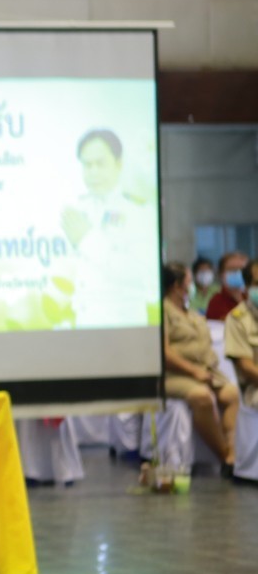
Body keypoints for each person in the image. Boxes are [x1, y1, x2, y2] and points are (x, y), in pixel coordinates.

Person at [60, 128, 158, 329]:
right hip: (84, 324)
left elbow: (143, 275)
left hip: (123, 326)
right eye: (87, 165)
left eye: (100, 164)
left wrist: (88, 240)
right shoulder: (78, 209)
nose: (93, 172)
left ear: (118, 164)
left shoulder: (138, 211)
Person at [161, 262, 238, 466]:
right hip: (174, 375)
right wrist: (194, 371)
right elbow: (165, 353)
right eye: (188, 281)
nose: (192, 285)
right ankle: (225, 457)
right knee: (202, 397)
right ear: (177, 285)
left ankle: (232, 450)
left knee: (231, 394)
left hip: (205, 371)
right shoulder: (163, 312)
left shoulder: (191, 313)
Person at [224, 258, 258, 419]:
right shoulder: (238, 319)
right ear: (248, 287)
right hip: (254, 390)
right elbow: (246, 368)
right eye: (257, 283)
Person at [206, 251, 250, 321]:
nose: (238, 273)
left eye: (242, 269)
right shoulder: (216, 302)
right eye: (232, 269)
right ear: (221, 274)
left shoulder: (252, 298)